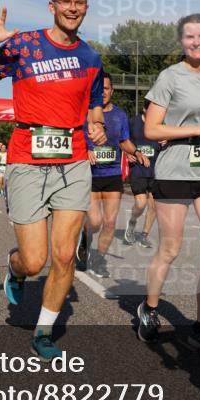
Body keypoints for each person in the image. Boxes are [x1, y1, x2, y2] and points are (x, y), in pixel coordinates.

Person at [0, 0, 106, 361]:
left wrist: (96, 124)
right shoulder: (25, 44)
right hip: (27, 157)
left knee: (64, 257)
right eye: (66, 2)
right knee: (35, 260)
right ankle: (15, 269)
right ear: (52, 6)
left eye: (80, 2)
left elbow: (94, 106)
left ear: (86, 9)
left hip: (74, 158)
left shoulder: (91, 58)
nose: (73, 8)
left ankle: (43, 332)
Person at [135, 14, 200, 359]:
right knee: (170, 248)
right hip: (174, 170)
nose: (196, 42)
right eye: (189, 37)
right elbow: (152, 130)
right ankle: (149, 308)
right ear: (182, 42)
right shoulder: (169, 77)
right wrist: (197, 129)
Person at [78, 72, 149, 277]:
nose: (103, 93)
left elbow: (124, 141)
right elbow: (76, 139)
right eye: (99, 90)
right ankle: (84, 237)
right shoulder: (86, 113)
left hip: (112, 174)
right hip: (90, 175)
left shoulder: (119, 115)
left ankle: (99, 260)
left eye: (106, 89)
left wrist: (135, 152)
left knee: (109, 222)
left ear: (112, 91)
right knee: (95, 221)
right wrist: (86, 150)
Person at [123, 100, 160, 249]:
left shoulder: (161, 124)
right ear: (144, 109)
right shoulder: (132, 122)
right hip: (138, 168)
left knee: (153, 205)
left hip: (155, 169)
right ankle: (132, 223)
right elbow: (123, 140)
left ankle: (144, 235)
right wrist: (126, 153)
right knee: (140, 203)